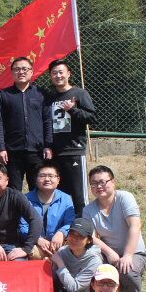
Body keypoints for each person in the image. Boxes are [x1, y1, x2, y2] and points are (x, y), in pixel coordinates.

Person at [82, 165, 146, 292]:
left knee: (127, 271)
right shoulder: (88, 209)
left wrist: (128, 255)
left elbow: (135, 225)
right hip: (109, 254)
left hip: (134, 252)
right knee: (95, 271)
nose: (98, 186)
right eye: (94, 183)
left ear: (113, 182)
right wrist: (109, 252)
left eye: (102, 182)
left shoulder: (125, 197)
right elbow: (92, 237)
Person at [46, 58, 97, 215]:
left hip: (74, 151)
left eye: (61, 72)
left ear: (68, 74)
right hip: (55, 153)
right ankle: (65, 227)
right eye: (54, 73)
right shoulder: (49, 97)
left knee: (78, 195)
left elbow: (92, 117)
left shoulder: (79, 93)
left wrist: (73, 110)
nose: (58, 76)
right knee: (60, 195)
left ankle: (83, 226)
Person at [0, 57, 53, 192]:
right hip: (12, 151)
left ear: (31, 72)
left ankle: (35, 208)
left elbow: (47, 120)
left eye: (25, 69)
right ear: (12, 73)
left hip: (37, 150)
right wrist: (1, 147)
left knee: (38, 189)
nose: (21, 72)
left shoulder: (41, 93)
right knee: (13, 190)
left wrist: (48, 145)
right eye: (17, 69)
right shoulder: (3, 95)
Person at [50, 217, 103, 292]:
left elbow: (74, 287)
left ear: (89, 240)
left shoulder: (94, 261)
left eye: (80, 236)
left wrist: (60, 264)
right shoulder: (62, 252)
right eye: (72, 234)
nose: (74, 239)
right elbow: (53, 278)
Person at [21, 161, 75, 259]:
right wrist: (37, 239)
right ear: (36, 179)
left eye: (51, 176)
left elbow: (70, 222)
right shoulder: (25, 199)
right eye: (42, 176)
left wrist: (61, 233)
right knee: (32, 253)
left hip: (59, 243)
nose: (47, 179)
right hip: (35, 244)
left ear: (58, 179)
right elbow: (22, 226)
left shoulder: (66, 198)